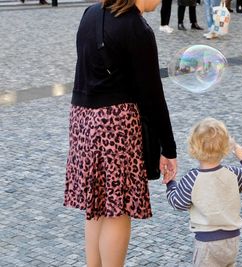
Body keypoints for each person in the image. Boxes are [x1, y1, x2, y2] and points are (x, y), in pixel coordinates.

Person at [63, 0, 178, 266]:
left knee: (96, 208)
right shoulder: (136, 27)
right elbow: (152, 96)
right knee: (118, 209)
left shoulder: (90, 13)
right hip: (116, 125)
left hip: (82, 119)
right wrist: (168, 149)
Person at [166, 117, 242, 267]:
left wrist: (170, 183)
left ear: (192, 148)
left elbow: (178, 202)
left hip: (207, 244)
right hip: (232, 240)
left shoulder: (192, 178)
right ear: (226, 147)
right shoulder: (233, 173)